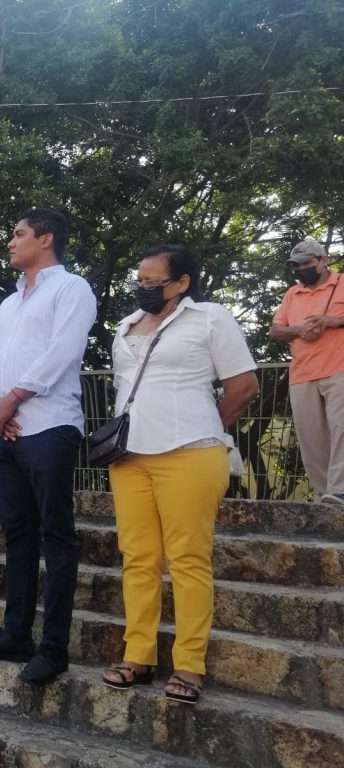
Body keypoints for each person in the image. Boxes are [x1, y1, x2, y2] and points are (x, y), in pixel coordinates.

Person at [100, 244, 257, 704]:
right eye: (140, 280)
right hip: (128, 455)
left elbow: (244, 385)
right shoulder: (126, 326)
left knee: (188, 559)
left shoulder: (209, 318)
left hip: (190, 452)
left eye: (153, 281)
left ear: (182, 282)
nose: (143, 287)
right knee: (137, 557)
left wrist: (204, 425)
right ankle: (138, 655)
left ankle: (189, 665)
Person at [0, 208, 96, 684]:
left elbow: (63, 351)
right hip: (5, 430)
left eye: (19, 234)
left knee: (56, 536)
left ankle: (53, 648)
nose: (11, 242)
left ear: (46, 238)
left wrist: (13, 398)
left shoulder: (72, 288)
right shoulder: (9, 302)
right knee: (17, 535)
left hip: (49, 426)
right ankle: (15, 632)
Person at [269, 237, 344, 505]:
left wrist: (330, 321)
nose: (301, 269)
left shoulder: (342, 283)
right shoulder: (292, 293)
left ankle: (340, 490)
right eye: (297, 265)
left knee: (342, 429)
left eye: (306, 263)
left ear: (324, 261)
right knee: (311, 438)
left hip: (340, 368)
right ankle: (326, 498)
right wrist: (299, 330)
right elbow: (275, 330)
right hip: (302, 373)